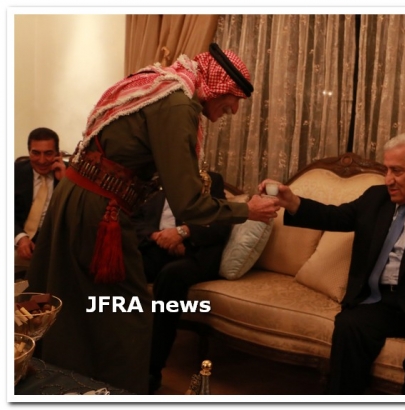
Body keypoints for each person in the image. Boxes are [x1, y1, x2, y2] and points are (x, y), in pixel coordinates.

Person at [27, 43, 279, 394]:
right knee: (128, 315)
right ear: (217, 85)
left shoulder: (165, 84)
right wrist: (247, 210)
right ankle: (118, 393)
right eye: (234, 98)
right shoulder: (178, 104)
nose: (234, 109)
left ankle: (65, 386)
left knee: (74, 301)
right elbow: (189, 204)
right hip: (99, 211)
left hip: (80, 197)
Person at [259, 133, 405, 394]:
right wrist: (292, 202)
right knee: (349, 326)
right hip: (380, 301)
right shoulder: (375, 198)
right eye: (387, 169)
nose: (388, 179)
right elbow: (334, 216)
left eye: (397, 171)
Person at [131, 171, 231, 393]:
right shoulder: (154, 181)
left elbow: (221, 222)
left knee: (170, 278)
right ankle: (117, 357)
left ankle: (152, 370)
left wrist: (183, 233)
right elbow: (134, 219)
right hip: (156, 247)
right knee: (122, 268)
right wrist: (158, 237)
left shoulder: (210, 180)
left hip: (193, 253)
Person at [14, 127, 66, 275]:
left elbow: (74, 217)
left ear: (57, 154)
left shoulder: (69, 175)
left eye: (48, 153)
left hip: (54, 246)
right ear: (29, 152)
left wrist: (65, 182)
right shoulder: (13, 172)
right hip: (16, 240)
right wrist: (20, 238)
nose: (42, 160)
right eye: (36, 153)